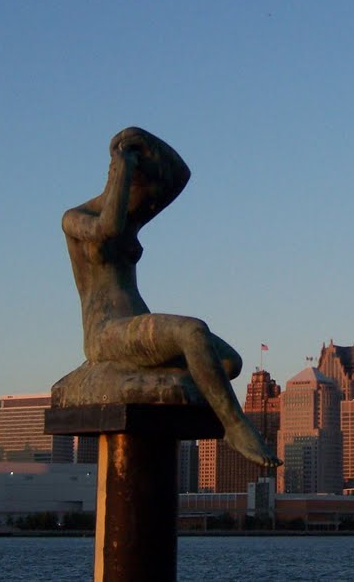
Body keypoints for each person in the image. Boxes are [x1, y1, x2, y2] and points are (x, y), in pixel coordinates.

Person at [62, 127, 279, 467]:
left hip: (134, 324)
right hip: (106, 332)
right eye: (136, 186)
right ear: (118, 179)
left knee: (227, 363)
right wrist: (121, 164)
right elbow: (109, 229)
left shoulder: (130, 219)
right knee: (192, 332)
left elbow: (180, 175)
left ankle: (177, 385)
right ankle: (234, 426)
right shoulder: (76, 219)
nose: (144, 199)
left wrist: (140, 141)